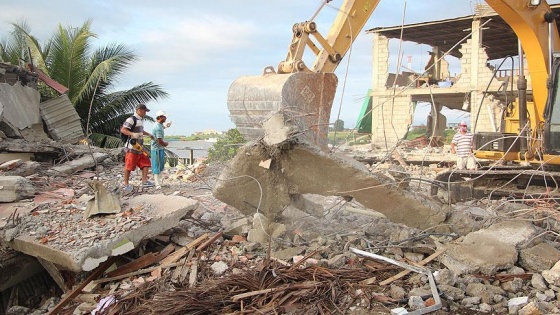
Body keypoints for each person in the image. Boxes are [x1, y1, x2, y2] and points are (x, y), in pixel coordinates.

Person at [121, 103, 155, 192]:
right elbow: (123, 129)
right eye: (144, 111)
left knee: (146, 163)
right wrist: (132, 134)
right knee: (129, 166)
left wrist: (149, 134)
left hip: (139, 147)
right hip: (132, 147)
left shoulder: (140, 120)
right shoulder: (131, 119)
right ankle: (126, 184)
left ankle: (144, 181)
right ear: (139, 110)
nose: (145, 113)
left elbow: (141, 130)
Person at [151, 110, 170, 188]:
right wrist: (165, 144)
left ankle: (159, 182)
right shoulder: (157, 127)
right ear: (160, 117)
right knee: (156, 166)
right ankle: (157, 184)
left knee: (161, 165)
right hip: (156, 149)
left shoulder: (159, 125)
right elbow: (159, 140)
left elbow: (162, 127)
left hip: (160, 148)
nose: (166, 118)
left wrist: (166, 126)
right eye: (164, 116)